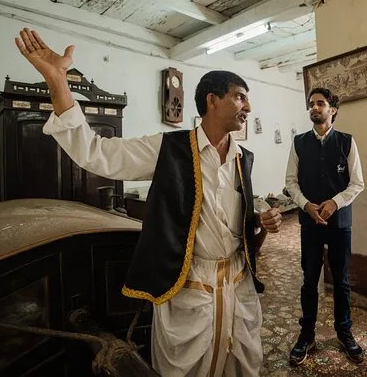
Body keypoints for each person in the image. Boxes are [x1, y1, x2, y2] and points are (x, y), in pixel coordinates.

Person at [14, 28, 283, 377]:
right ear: (212, 100)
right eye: (240, 97)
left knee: (239, 365)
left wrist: (259, 217)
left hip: (237, 285)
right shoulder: (170, 149)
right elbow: (96, 152)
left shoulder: (243, 157)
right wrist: (57, 81)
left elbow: (235, 211)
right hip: (189, 288)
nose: (248, 107)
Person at [285, 87, 365, 365]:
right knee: (309, 280)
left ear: (333, 110)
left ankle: (344, 332)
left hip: (339, 222)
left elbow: (357, 183)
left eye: (320, 103)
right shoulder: (299, 142)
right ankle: (306, 334)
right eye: (312, 103)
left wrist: (335, 202)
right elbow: (290, 182)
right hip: (310, 223)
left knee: (341, 281)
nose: (315, 107)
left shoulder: (346, 142)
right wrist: (306, 205)